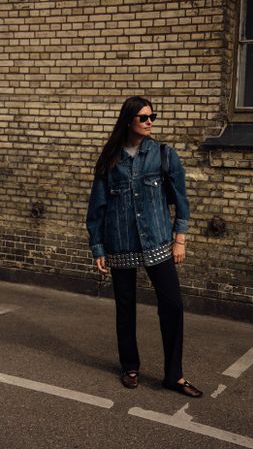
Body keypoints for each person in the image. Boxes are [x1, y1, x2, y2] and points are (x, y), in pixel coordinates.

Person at [86, 96, 202, 398]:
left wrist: (180, 239)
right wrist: (98, 247)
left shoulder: (164, 154)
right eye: (143, 117)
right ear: (129, 121)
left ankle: (174, 375)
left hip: (158, 241)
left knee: (173, 305)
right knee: (125, 308)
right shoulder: (110, 159)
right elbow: (97, 207)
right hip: (120, 242)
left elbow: (181, 199)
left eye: (152, 116)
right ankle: (130, 366)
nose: (150, 122)